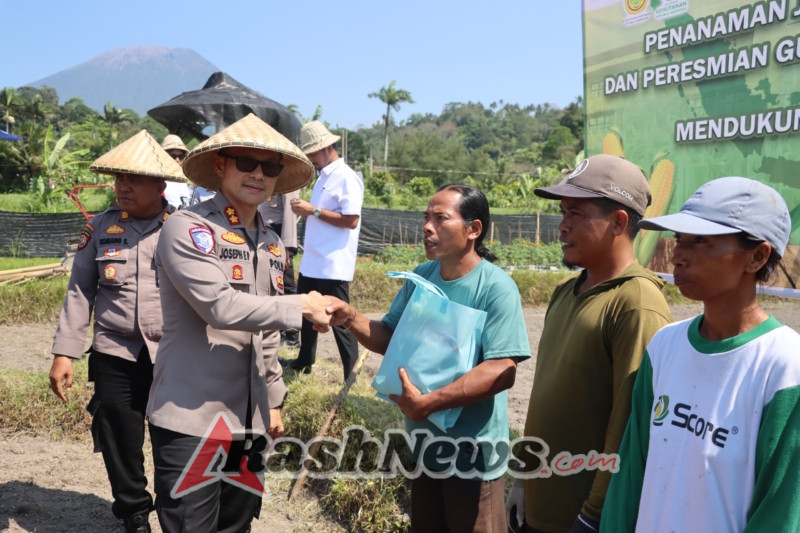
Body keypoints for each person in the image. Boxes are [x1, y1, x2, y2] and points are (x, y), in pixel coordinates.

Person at [146, 113, 333, 533]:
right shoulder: (186, 228)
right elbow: (220, 307)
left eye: (270, 167)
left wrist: (274, 397)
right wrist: (299, 305)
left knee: (237, 525)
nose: (258, 175)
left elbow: (263, 333)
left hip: (247, 420)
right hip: (192, 417)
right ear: (220, 165)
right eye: (246, 162)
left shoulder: (270, 242)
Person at [326, 184, 531, 532]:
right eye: (426, 218)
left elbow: (501, 370)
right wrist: (350, 317)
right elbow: (390, 336)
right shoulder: (421, 277)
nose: (427, 227)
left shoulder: (495, 288)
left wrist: (427, 404)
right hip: (425, 447)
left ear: (473, 229)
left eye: (440, 218)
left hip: (473, 456)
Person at [602, 177, 800, 532]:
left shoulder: (786, 366)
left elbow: (781, 510)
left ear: (757, 256)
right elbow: (632, 472)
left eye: (701, 242)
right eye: (679, 239)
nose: (678, 254)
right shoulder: (664, 347)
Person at [506, 154, 673, 533]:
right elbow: (543, 395)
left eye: (576, 214)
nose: (562, 227)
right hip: (539, 507)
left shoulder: (637, 302)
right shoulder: (566, 291)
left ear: (619, 222)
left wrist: (593, 515)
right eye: (563, 213)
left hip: (580, 518)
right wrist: (522, 480)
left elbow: (629, 422)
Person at [49, 130, 186, 533]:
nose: (122, 187)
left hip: (174, 353)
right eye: (119, 179)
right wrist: (64, 352)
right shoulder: (102, 228)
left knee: (173, 438)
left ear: (161, 185)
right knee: (118, 435)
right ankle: (134, 512)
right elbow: (80, 290)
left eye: (134, 180)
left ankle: (176, 512)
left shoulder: (184, 230)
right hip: (115, 352)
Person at [286, 120, 364, 378]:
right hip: (314, 259)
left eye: (312, 153)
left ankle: (350, 373)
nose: (310, 159)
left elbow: (351, 220)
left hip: (333, 263)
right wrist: (307, 212)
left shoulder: (346, 178)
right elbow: (320, 216)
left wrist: (313, 210)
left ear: (326, 147)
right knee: (307, 310)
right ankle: (304, 360)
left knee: (340, 320)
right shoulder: (322, 179)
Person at [258, 189, 300, 347]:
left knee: (287, 286)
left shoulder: (288, 180)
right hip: (266, 229)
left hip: (280, 233)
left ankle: (292, 335)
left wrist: (288, 248)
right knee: (271, 283)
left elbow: (290, 214)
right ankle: (278, 331)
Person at [160, 134, 192, 209]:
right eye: (173, 156)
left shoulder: (183, 182)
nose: (177, 160)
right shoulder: (157, 180)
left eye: (181, 156)